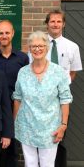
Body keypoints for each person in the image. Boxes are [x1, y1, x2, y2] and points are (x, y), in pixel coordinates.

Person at [13, 31, 72, 167]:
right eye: (34, 46)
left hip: (50, 127)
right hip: (26, 126)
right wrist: (15, 122)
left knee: (48, 164)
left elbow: (65, 100)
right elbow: (18, 98)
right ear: (29, 49)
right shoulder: (23, 72)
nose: (37, 49)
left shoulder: (58, 72)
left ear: (47, 48)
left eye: (40, 46)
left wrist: (63, 125)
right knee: (30, 163)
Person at [42, 10, 82, 167]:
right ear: (47, 24)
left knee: (60, 134)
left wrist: (61, 87)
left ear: (63, 24)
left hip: (61, 99)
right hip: (42, 98)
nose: (55, 24)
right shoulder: (38, 44)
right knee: (43, 133)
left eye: (59, 21)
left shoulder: (72, 47)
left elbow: (73, 72)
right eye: (52, 21)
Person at [0, 20, 29, 167]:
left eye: (7, 32)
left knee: (13, 147)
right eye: (1, 33)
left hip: (17, 107)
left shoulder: (22, 58)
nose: (4, 36)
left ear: (13, 33)